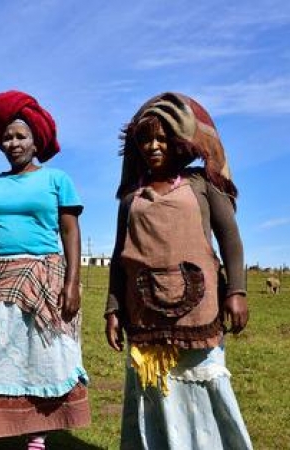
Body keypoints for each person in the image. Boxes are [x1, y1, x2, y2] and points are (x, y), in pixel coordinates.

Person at [104, 92, 252, 449]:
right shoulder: (131, 198)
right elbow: (118, 257)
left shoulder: (201, 186)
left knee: (204, 384)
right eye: (145, 139)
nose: (153, 146)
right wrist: (112, 309)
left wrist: (236, 291)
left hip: (199, 312)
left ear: (179, 141)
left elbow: (230, 239)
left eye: (162, 138)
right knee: (153, 390)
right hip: (144, 313)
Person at [0, 90, 91, 450]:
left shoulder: (56, 180)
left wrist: (72, 284)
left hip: (43, 276)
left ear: (35, 141)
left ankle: (36, 434)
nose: (13, 143)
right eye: (7, 137)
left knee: (38, 354)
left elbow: (70, 231)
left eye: (21, 136)